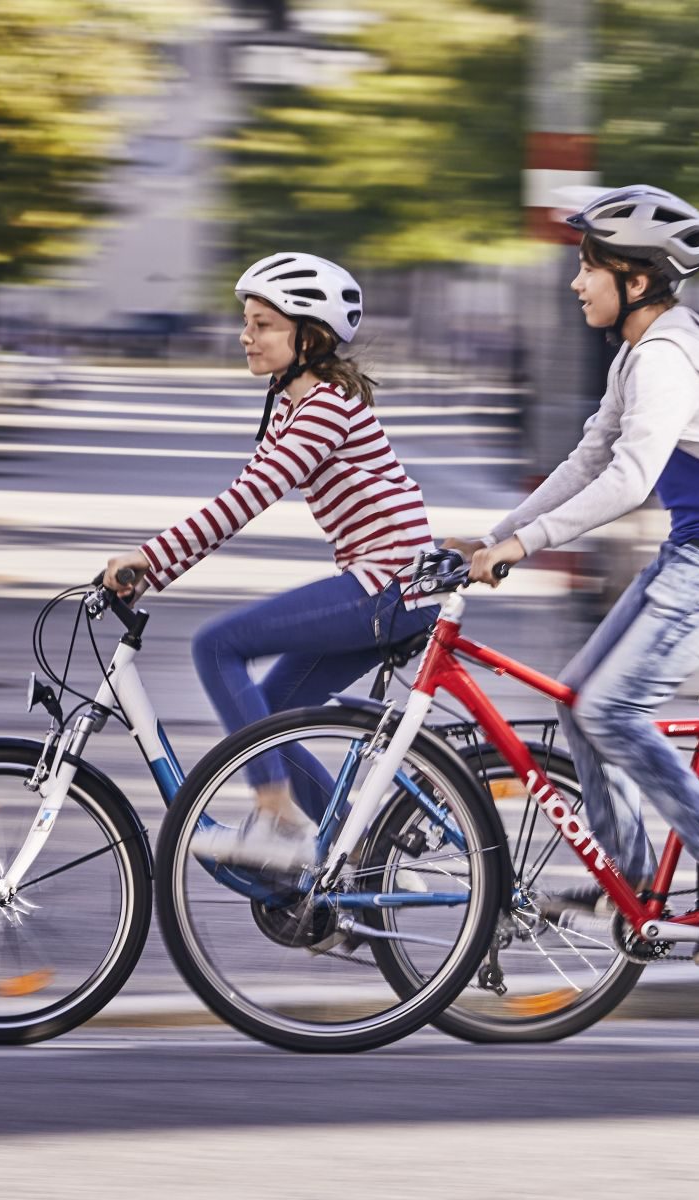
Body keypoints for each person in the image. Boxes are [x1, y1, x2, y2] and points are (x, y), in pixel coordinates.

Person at [459, 185, 699, 964]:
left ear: (636, 280)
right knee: (580, 702)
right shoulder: (642, 350)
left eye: (589, 267)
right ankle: (631, 881)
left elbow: (630, 478)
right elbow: (588, 459)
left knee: (611, 711)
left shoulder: (665, 358)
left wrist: (525, 545)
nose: (576, 283)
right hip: (696, 554)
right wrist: (491, 540)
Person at [102, 252, 437, 868]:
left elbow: (243, 502)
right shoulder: (296, 404)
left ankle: (278, 817)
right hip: (385, 583)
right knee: (267, 717)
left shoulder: (325, 409)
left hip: (387, 585)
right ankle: (349, 856)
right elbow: (245, 491)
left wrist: (147, 562)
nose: (244, 335)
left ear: (307, 337)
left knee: (216, 647)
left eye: (261, 323)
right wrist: (157, 570)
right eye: (246, 321)